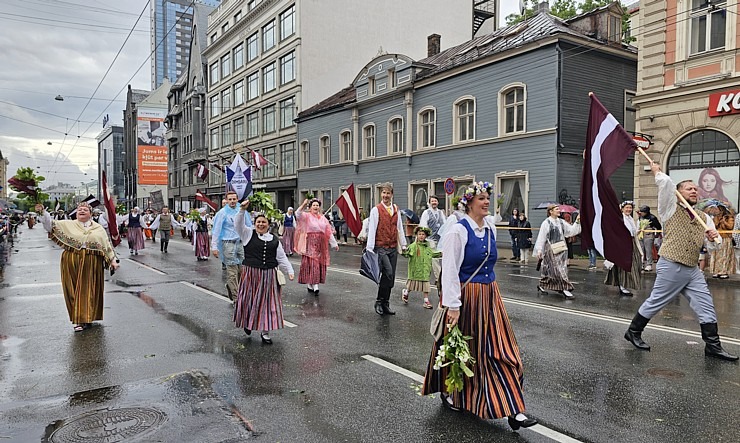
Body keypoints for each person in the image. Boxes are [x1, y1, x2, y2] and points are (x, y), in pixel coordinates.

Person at [421, 181, 537, 431]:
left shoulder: (491, 227)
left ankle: (514, 410)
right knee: (466, 351)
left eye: (487, 198)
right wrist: (453, 305)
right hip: (467, 298)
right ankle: (453, 392)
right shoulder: (458, 231)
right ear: (469, 202)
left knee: (502, 350)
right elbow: (450, 271)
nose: (486, 202)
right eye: (481, 198)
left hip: (491, 295)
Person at [624, 162, 737, 361]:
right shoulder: (669, 208)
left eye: (695, 189)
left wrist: (712, 239)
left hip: (692, 269)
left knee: (706, 305)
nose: (694, 191)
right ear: (679, 193)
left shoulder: (704, 217)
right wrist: (658, 172)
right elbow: (666, 184)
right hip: (671, 264)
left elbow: (715, 245)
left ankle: (713, 346)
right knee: (657, 301)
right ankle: (633, 332)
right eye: (689, 188)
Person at [37, 202, 119, 332]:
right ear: (76, 213)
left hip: (92, 261)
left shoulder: (98, 228)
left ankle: (85, 318)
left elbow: (106, 245)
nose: (81, 211)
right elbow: (49, 225)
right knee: (73, 289)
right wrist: (42, 212)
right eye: (79, 209)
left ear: (90, 214)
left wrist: (113, 260)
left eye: (85, 210)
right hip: (71, 259)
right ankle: (79, 318)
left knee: (88, 290)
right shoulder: (67, 224)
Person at [234, 203, 294, 344]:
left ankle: (265, 332)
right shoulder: (248, 234)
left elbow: (281, 258)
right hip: (251, 274)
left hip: (268, 276)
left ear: (268, 224)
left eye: (263, 222)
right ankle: (247, 323)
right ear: (254, 224)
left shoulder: (274, 240)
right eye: (258, 222)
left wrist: (290, 270)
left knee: (267, 303)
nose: (261, 224)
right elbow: (237, 224)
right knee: (249, 300)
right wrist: (242, 210)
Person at [366, 183, 407, 315]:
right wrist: (370, 248)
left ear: (392, 195)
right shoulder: (376, 210)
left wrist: (404, 244)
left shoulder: (396, 209)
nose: (385, 195)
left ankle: (385, 303)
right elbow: (372, 229)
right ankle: (379, 301)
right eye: (383, 193)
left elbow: (399, 228)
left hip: (393, 247)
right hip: (381, 246)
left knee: (391, 277)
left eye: (388, 193)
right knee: (387, 272)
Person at [211, 191, 253, 301]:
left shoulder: (242, 210)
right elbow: (216, 229)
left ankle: (233, 288)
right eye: (230, 199)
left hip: (240, 243)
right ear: (226, 200)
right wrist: (214, 246)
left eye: (234, 199)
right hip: (228, 243)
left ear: (237, 199)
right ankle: (236, 297)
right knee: (232, 271)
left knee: (242, 270)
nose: (232, 201)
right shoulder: (222, 213)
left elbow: (248, 225)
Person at [533, 204, 581, 299]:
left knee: (553, 270)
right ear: (551, 211)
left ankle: (543, 284)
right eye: (557, 209)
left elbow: (571, 231)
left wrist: (577, 221)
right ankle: (565, 288)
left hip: (561, 249)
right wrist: (539, 250)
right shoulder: (546, 223)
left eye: (559, 209)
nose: (559, 211)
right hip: (550, 250)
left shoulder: (561, 222)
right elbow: (541, 237)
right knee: (558, 270)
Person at [294, 198, 339, 295]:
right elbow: (297, 214)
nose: (316, 207)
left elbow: (328, 232)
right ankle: (315, 285)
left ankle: (311, 283)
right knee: (313, 262)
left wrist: (334, 244)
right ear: (310, 207)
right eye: (314, 205)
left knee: (318, 263)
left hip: (321, 243)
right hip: (310, 242)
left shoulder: (323, 218)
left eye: (317, 205)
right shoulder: (306, 216)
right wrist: (303, 204)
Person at [603, 201, 643, 296]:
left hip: (632, 244)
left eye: (630, 208)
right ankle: (622, 286)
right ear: (622, 209)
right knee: (625, 266)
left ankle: (625, 285)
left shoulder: (631, 219)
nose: (629, 209)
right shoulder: (620, 219)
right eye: (627, 208)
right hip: (623, 244)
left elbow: (632, 232)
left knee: (634, 264)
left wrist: (637, 231)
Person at [401, 226, 441, 309]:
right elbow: (407, 254)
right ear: (416, 235)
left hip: (425, 270)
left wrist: (441, 253)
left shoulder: (427, 247)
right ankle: (406, 292)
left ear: (426, 236)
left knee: (426, 286)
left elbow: (433, 254)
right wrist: (404, 251)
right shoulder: (413, 246)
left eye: (423, 234)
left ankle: (426, 301)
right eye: (419, 234)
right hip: (415, 270)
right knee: (411, 285)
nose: (421, 236)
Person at [705, 204, 735, 279]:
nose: (717, 211)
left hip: (726, 239)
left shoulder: (729, 217)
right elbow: (714, 226)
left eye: (718, 209)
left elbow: (730, 227)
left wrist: (724, 221)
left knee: (725, 256)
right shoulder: (716, 217)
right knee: (716, 256)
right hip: (717, 238)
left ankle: (724, 271)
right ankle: (717, 271)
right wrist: (718, 221)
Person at [637, 205, 662, 272]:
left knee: (648, 250)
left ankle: (649, 264)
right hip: (641, 234)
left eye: (643, 212)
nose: (641, 213)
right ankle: (641, 263)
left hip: (649, 235)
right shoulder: (641, 217)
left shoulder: (652, 218)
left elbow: (658, 226)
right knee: (641, 250)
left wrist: (657, 234)